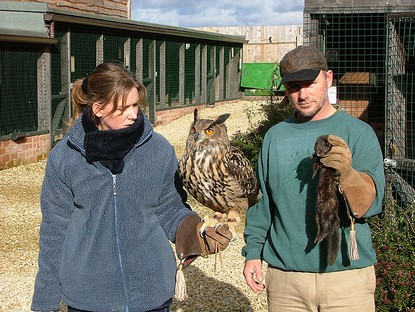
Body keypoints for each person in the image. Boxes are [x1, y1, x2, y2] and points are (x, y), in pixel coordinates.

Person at [31, 62, 232, 312]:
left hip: (152, 293)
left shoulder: (158, 149)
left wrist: (194, 230)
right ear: (98, 109)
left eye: (135, 104)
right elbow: (54, 228)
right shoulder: (65, 157)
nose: (133, 114)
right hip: (89, 297)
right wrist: (44, 302)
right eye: (123, 107)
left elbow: (170, 207)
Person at [242, 46, 385, 311]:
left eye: (310, 83)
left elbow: (372, 205)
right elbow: (262, 204)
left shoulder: (358, 133)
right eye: (294, 86)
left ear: (328, 78)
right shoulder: (275, 137)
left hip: (346, 277)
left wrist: (349, 176)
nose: (303, 94)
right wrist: (252, 254)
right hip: (287, 280)